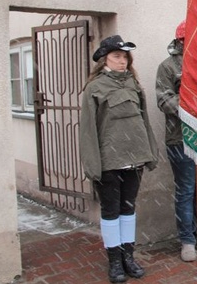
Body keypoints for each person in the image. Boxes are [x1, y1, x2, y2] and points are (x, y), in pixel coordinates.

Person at [79, 35, 158, 283]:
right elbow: (88, 130)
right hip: (109, 160)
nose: (122, 61)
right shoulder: (95, 88)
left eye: (125, 57)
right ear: (105, 59)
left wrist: (150, 152)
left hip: (135, 157)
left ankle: (128, 257)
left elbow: (144, 120)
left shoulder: (134, 84)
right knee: (111, 210)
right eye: (117, 56)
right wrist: (93, 163)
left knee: (128, 209)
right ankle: (114, 261)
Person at [155, 21, 197, 262]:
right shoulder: (168, 67)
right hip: (181, 138)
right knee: (186, 190)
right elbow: (163, 99)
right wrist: (190, 109)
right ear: (181, 40)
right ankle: (187, 240)